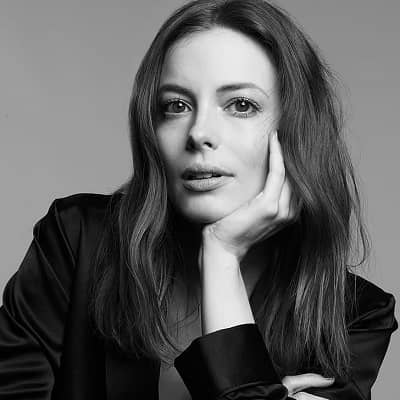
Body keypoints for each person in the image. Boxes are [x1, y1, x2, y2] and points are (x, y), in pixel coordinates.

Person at [0, 0, 397, 399]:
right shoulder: (78, 242)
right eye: (176, 106)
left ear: (296, 129)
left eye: (241, 105)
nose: (199, 132)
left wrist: (221, 258)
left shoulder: (356, 318)